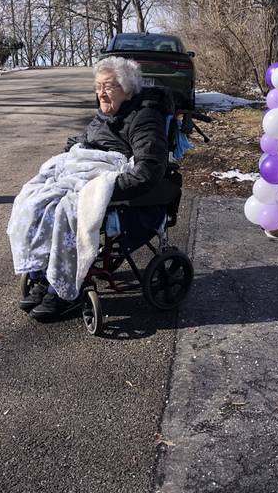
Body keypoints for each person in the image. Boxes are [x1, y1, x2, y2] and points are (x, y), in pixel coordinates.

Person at [11, 56, 169, 322]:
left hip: (112, 179)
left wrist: (103, 190)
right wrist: (70, 156)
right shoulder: (106, 114)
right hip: (84, 171)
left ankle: (63, 291)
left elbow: (148, 171)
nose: (101, 93)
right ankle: (42, 272)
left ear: (127, 89)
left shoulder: (144, 118)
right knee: (33, 199)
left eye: (108, 87)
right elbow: (85, 140)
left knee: (66, 212)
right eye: (98, 86)